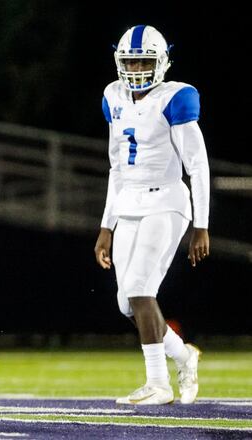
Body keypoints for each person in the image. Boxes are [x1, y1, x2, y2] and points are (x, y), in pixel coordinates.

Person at [94, 25, 207, 405]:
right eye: (130, 60)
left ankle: (157, 383)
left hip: (167, 202)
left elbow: (198, 165)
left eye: (145, 60)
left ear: (162, 62)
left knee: (141, 288)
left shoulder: (175, 97)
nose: (137, 68)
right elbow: (115, 168)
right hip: (129, 203)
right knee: (127, 302)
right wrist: (105, 225)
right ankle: (182, 354)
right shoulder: (113, 96)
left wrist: (202, 224)